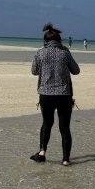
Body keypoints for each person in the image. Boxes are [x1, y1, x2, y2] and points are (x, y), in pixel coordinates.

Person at [30, 23, 80, 166]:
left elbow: (34, 71)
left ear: (45, 41)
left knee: (47, 123)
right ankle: (65, 160)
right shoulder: (65, 52)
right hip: (64, 95)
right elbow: (76, 70)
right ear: (59, 40)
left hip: (45, 95)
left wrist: (46, 69)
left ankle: (42, 153)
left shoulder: (40, 52)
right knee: (64, 128)